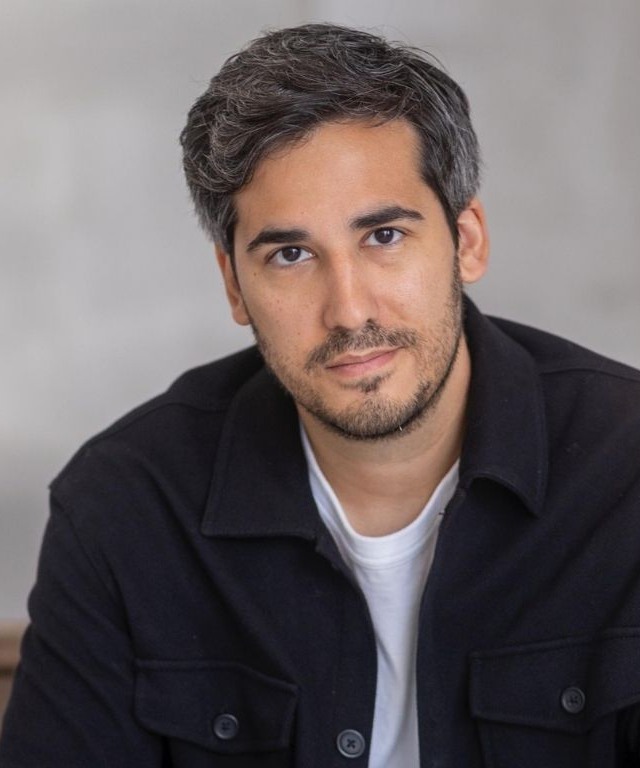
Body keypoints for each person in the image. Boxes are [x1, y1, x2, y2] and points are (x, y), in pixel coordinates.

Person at [1, 22, 639, 768]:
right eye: (291, 254)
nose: (349, 311)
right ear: (234, 286)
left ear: (466, 240)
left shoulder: (624, 476)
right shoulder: (126, 507)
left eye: (384, 236)